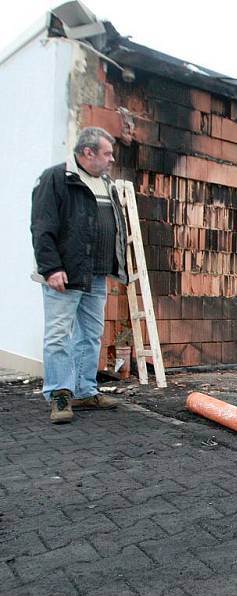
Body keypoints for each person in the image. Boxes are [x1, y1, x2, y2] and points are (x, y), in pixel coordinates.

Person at [30, 127, 129, 424]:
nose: (112, 159)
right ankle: (59, 394)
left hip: (96, 276)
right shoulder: (57, 178)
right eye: (107, 153)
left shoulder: (105, 183)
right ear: (88, 153)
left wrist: (118, 265)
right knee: (59, 335)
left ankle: (85, 390)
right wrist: (51, 268)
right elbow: (42, 227)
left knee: (90, 334)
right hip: (65, 274)